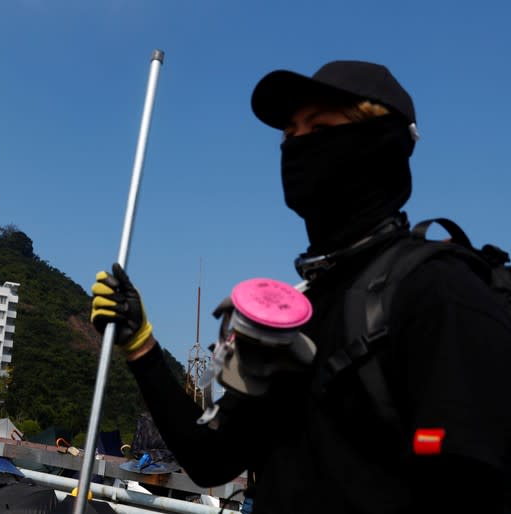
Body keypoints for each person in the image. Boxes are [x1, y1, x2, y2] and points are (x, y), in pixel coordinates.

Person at [91, 60, 511, 513]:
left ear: (381, 145)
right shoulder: (290, 316)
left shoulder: (438, 290)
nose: (297, 145)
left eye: (320, 126)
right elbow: (210, 459)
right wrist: (142, 346)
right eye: (289, 134)